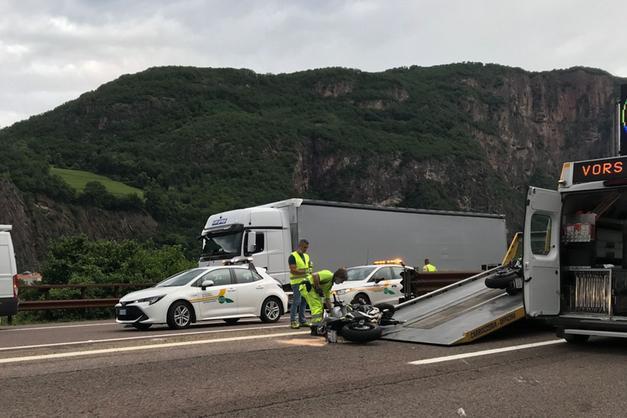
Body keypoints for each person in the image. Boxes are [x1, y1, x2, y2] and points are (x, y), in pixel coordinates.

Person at [288, 239, 313, 329]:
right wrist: (305, 272)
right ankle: (293, 321)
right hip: (296, 283)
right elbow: (293, 270)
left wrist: (309, 271)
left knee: (303, 302)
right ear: (300, 246)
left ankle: (302, 320)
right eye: (304, 247)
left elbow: (309, 267)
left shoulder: (306, 256)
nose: (306, 249)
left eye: (307, 247)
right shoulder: (292, 256)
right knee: (297, 301)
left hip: (305, 282)